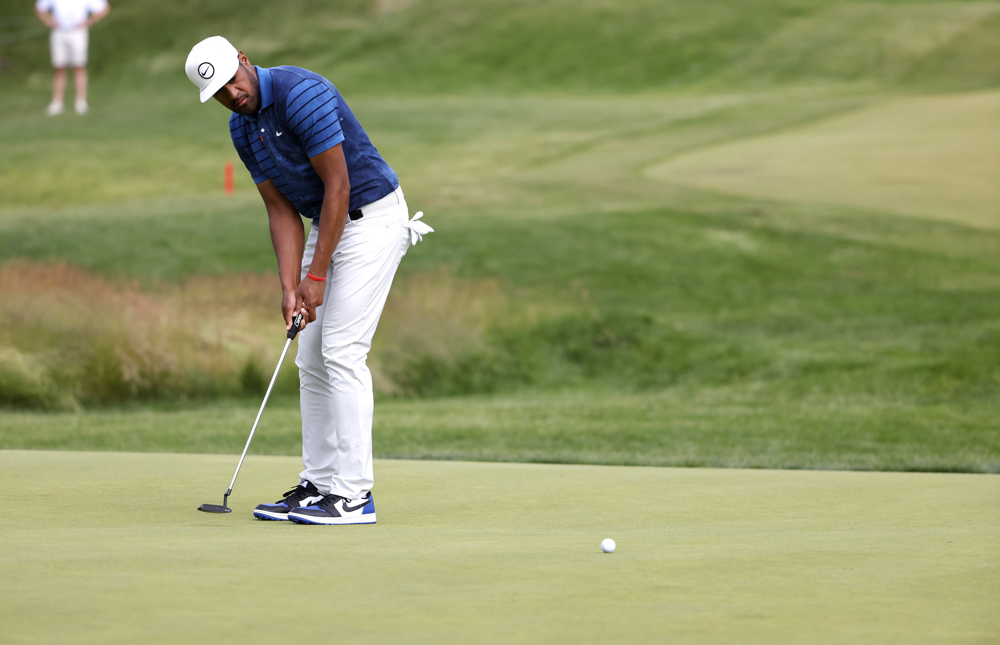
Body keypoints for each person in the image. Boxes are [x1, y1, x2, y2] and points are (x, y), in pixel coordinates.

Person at [184, 36, 432, 526]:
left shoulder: (301, 93)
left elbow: (339, 186)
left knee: (341, 350)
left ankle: (354, 496)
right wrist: (289, 286)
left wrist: (315, 276)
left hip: (373, 217)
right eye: (219, 93)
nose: (232, 95)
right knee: (311, 357)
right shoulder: (241, 128)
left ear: (244, 61)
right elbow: (280, 211)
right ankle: (318, 485)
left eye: (233, 81)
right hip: (328, 223)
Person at [34, 0, 109, 115]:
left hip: (78, 32)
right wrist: (48, 21)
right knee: (59, 67)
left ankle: (80, 102)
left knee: (79, 66)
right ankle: (57, 102)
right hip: (59, 31)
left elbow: (104, 8)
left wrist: (89, 22)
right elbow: (39, 8)